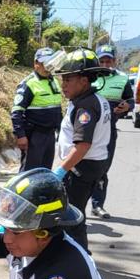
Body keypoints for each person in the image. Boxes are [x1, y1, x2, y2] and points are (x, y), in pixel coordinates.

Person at [44, 48, 112, 251]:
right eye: (62, 79)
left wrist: (60, 171)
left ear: (84, 81)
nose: (63, 85)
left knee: (71, 218)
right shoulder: (92, 100)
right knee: (72, 215)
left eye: (68, 80)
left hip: (80, 168)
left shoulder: (86, 107)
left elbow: (83, 145)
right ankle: (78, 255)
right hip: (89, 166)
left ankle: (80, 258)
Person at [89, 44, 133, 219]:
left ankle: (97, 205)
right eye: (102, 61)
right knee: (78, 169)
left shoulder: (122, 78)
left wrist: (127, 106)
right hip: (86, 131)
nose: (105, 64)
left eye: (109, 61)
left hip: (108, 132)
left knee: (102, 169)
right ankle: (75, 206)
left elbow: (130, 99)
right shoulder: (89, 77)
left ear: (114, 61)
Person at [10, 47, 63, 171]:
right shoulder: (28, 84)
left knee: (45, 172)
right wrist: (21, 135)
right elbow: (16, 112)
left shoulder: (54, 81)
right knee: (29, 173)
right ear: (36, 64)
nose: (46, 66)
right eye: (43, 63)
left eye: (49, 63)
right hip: (34, 136)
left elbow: (57, 109)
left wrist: (61, 130)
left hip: (50, 135)